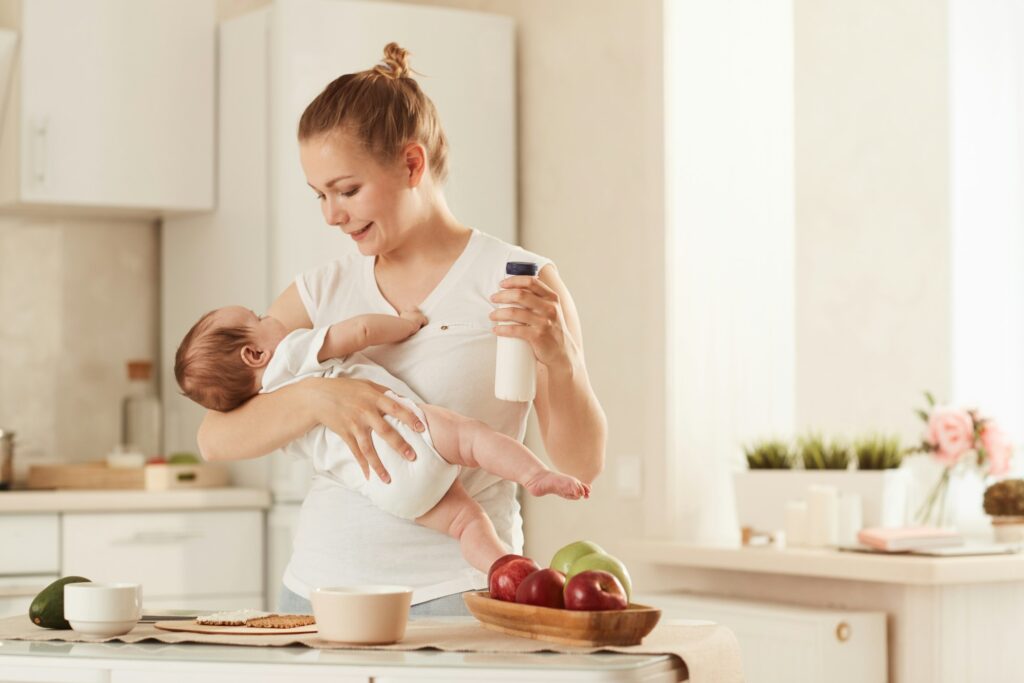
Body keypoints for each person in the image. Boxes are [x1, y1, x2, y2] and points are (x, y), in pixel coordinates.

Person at [195, 42, 607, 616]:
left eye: (346, 190)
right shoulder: (318, 292)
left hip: (460, 594)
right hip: (315, 595)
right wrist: (320, 396)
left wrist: (563, 361)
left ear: (412, 165)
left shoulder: (517, 280)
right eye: (320, 195)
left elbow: (578, 465)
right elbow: (216, 438)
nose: (331, 215)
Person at [174, 304, 590, 575]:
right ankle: (534, 475)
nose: (269, 314)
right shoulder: (292, 351)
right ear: (254, 354)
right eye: (257, 317)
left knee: (465, 523)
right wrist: (408, 324)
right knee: (472, 438)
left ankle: (503, 567)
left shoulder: (263, 406)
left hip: (390, 491)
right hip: (414, 434)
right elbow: (361, 329)